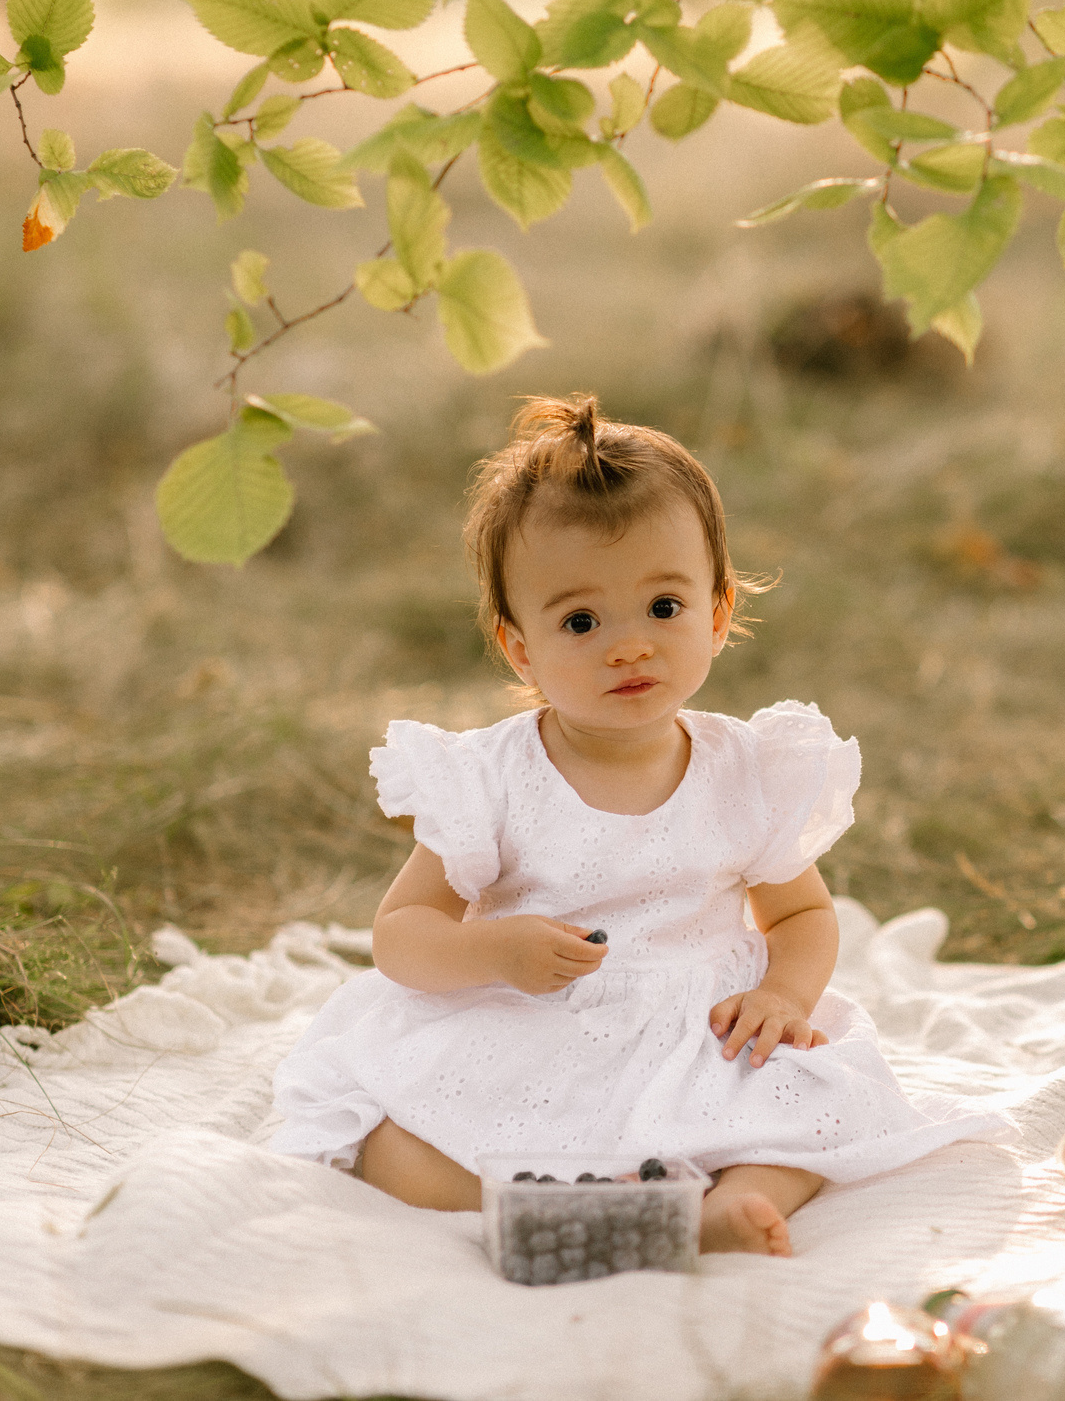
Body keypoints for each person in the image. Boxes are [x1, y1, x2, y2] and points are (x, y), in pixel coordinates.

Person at [268, 395, 1002, 1255]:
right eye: (582, 621)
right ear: (521, 648)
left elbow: (801, 915)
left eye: (664, 607)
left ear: (719, 613)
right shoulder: (495, 778)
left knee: (821, 1102)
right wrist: (493, 950)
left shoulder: (746, 770)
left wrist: (779, 996)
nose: (629, 646)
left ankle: (713, 1205)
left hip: (697, 1022)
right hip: (531, 1021)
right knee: (387, 1143)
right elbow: (399, 934)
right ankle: (577, 1206)